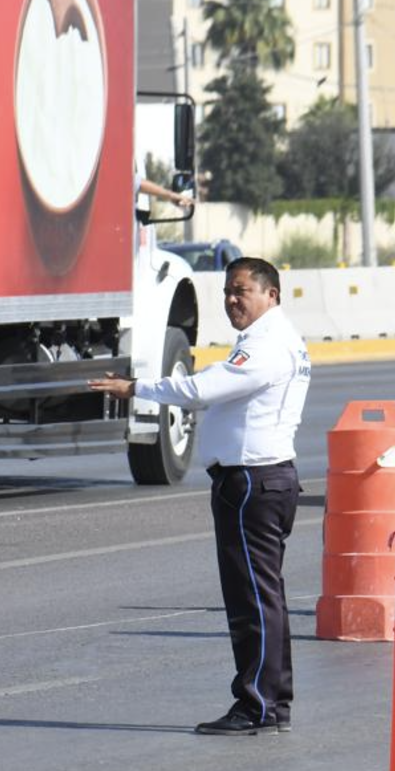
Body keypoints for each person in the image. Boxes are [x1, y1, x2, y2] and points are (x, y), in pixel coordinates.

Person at [88, 257, 310, 735]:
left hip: (252, 481)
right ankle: (271, 702)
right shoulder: (272, 340)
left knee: (254, 600)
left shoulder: (268, 345)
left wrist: (136, 387)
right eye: (228, 291)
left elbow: (201, 389)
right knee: (262, 597)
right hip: (260, 479)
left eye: (242, 291)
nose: (232, 300)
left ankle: (258, 705)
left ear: (271, 294)